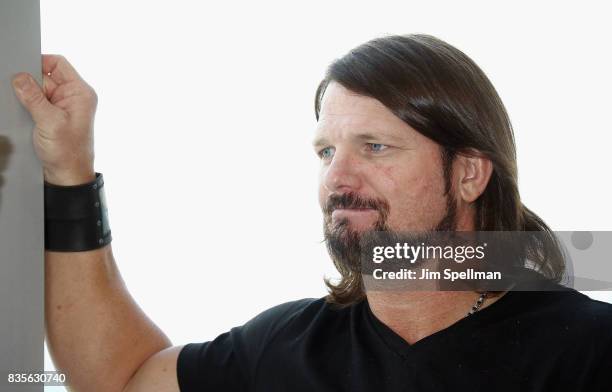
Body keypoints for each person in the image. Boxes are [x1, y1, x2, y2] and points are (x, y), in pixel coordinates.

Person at [12, 34, 612, 392]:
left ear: (469, 173)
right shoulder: (287, 349)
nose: (337, 179)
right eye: (327, 151)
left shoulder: (586, 351)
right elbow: (121, 378)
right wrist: (70, 173)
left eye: (375, 147)